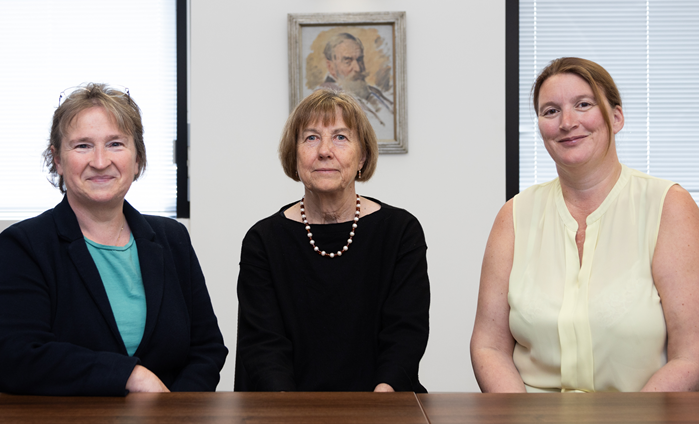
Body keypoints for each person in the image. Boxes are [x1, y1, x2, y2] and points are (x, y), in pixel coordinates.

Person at [471, 57, 699, 393]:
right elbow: (489, 347)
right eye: (550, 111)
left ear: (616, 117)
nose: (566, 122)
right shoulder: (514, 215)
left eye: (583, 105)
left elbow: (690, 354)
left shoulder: (669, 205)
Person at [0, 83, 228, 396]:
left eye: (116, 144)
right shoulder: (23, 246)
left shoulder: (172, 238)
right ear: (57, 159)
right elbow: (18, 356)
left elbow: (206, 348)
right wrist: (131, 376)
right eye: (82, 146)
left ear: (137, 159)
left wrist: (175, 411)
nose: (100, 160)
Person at [234, 89, 429, 392]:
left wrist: (379, 404)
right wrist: (293, 412)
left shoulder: (401, 231)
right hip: (287, 410)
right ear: (294, 155)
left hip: (383, 407)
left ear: (362, 156)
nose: (324, 150)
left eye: (340, 137)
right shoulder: (263, 241)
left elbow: (406, 334)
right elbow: (263, 346)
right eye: (311, 138)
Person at [319, 32, 394, 137]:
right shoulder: (326, 101)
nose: (358, 68)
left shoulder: (373, 91)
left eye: (359, 60)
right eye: (348, 61)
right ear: (331, 66)